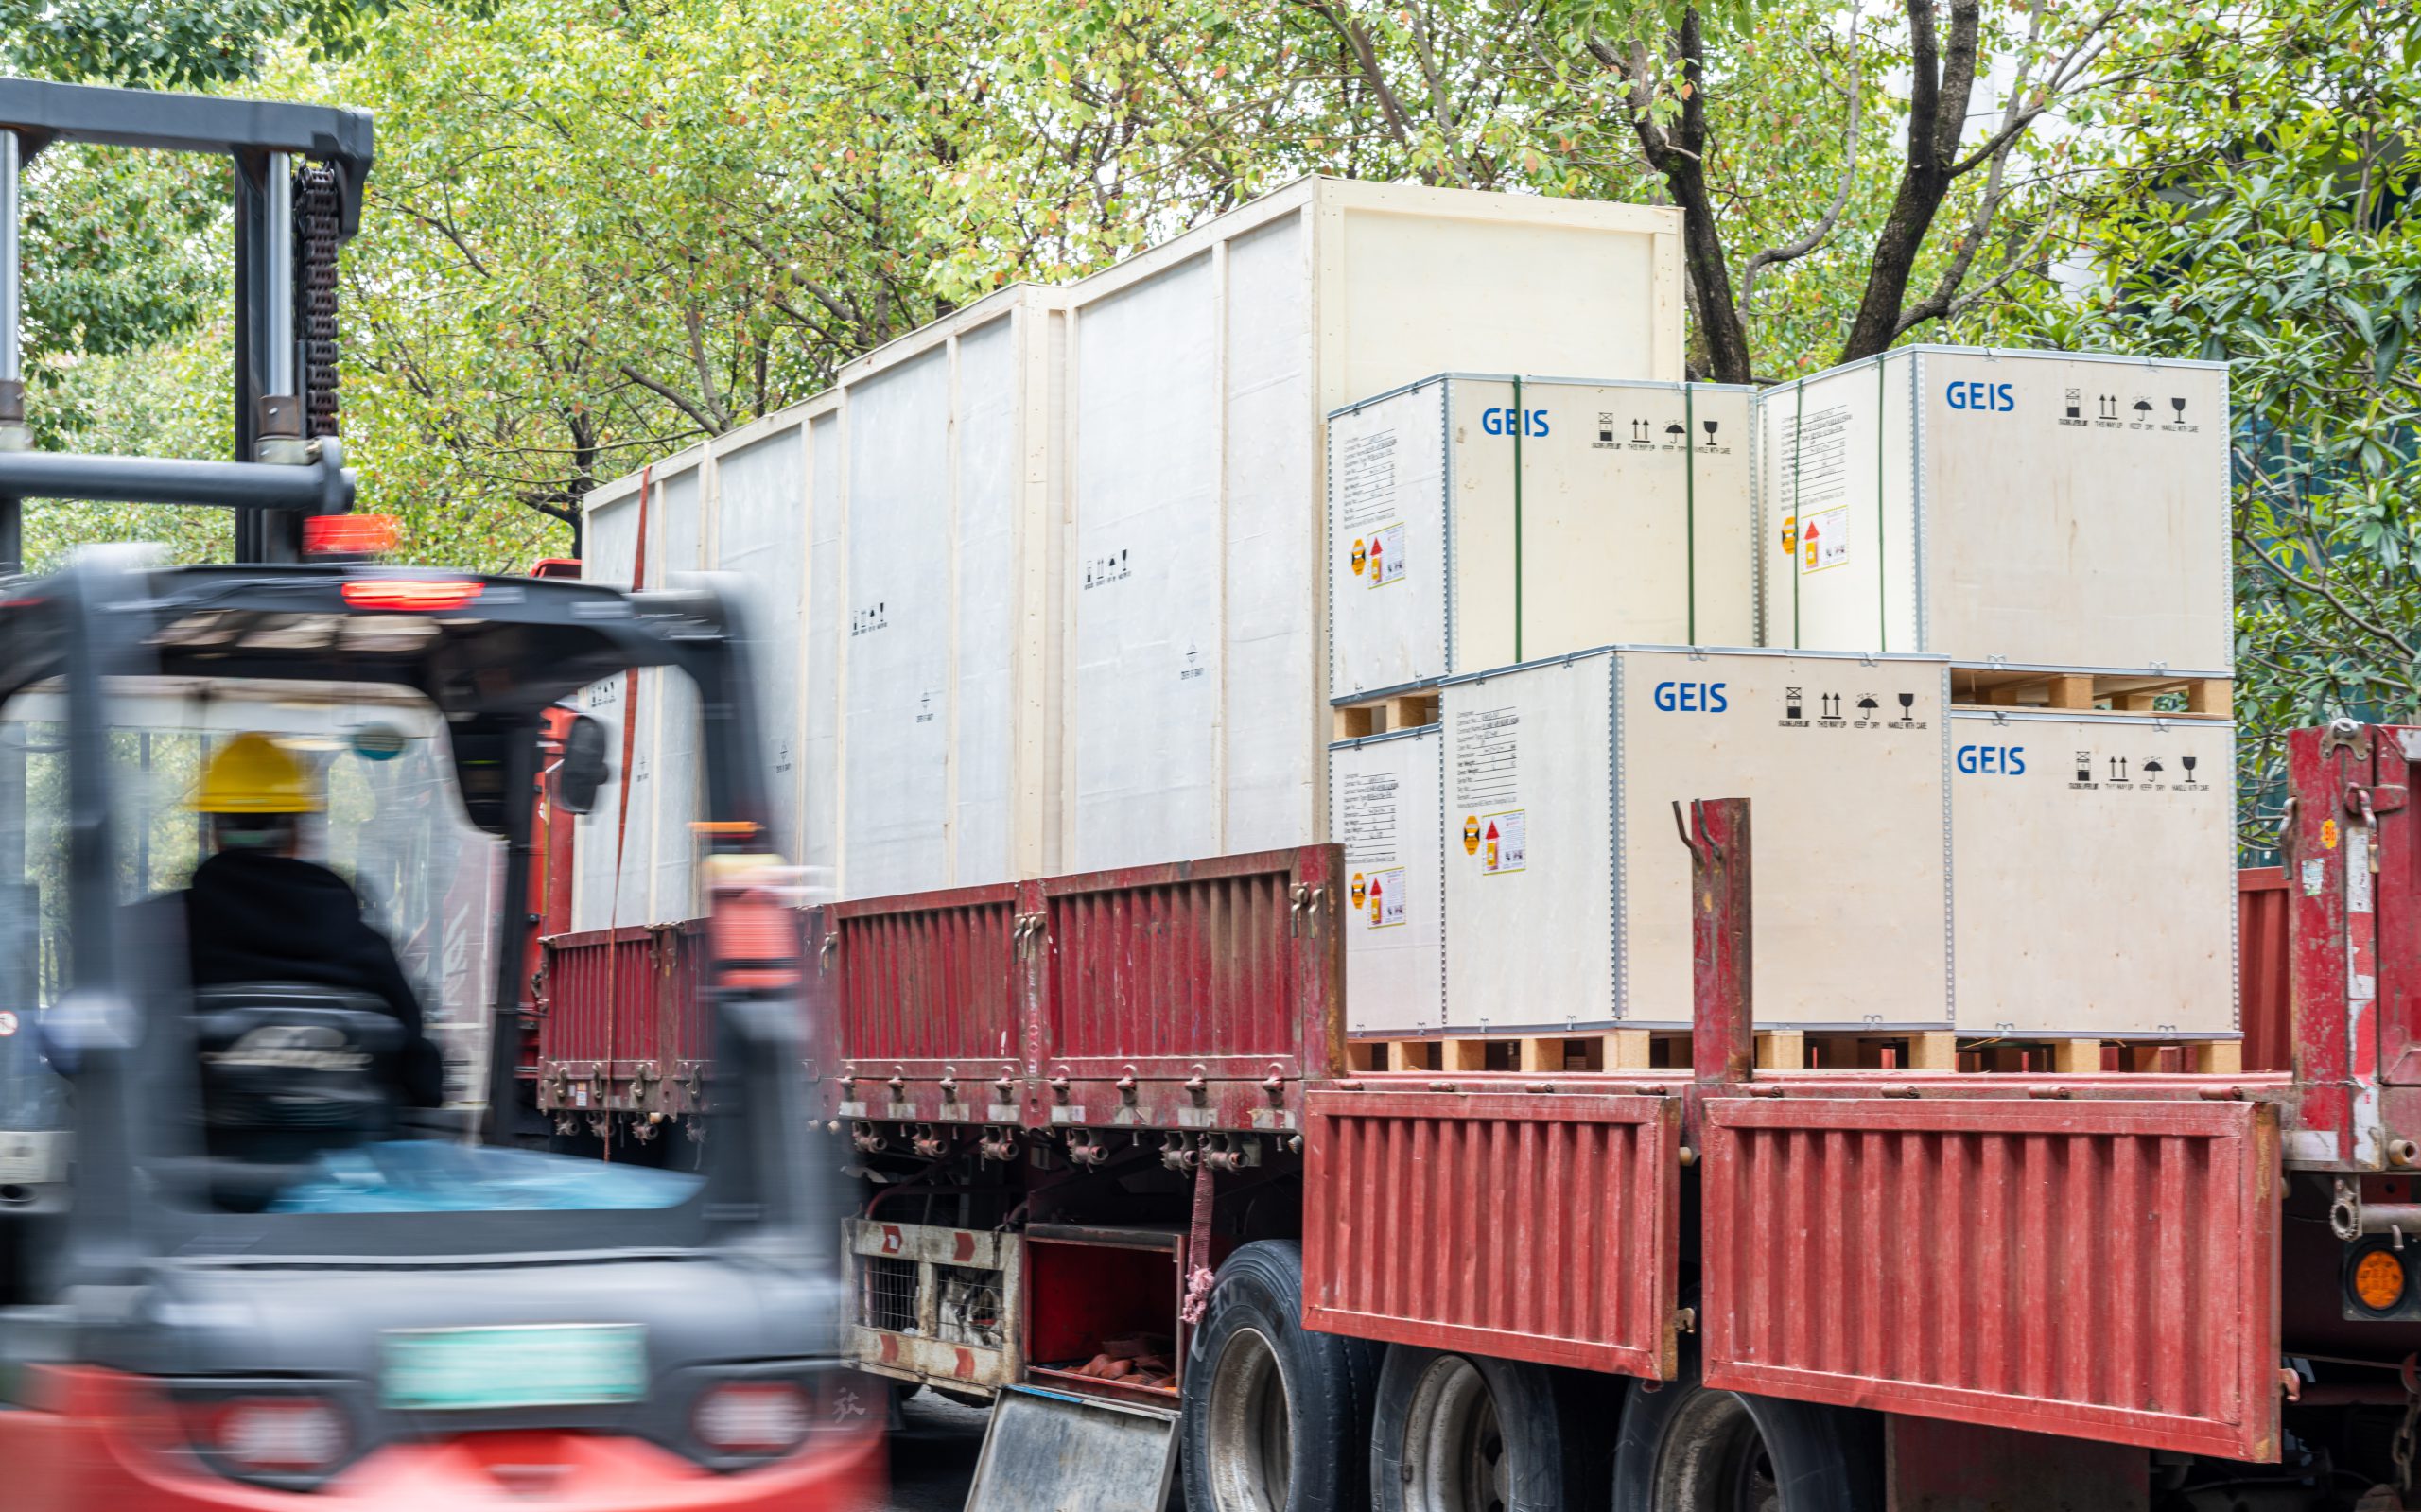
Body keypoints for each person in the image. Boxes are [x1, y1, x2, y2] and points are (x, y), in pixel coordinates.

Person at [178, 732, 444, 1107]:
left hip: (189, 1145)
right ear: (297, 832)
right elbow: (423, 1083)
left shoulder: (158, 935)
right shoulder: (366, 951)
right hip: (346, 1144)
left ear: (213, 832)